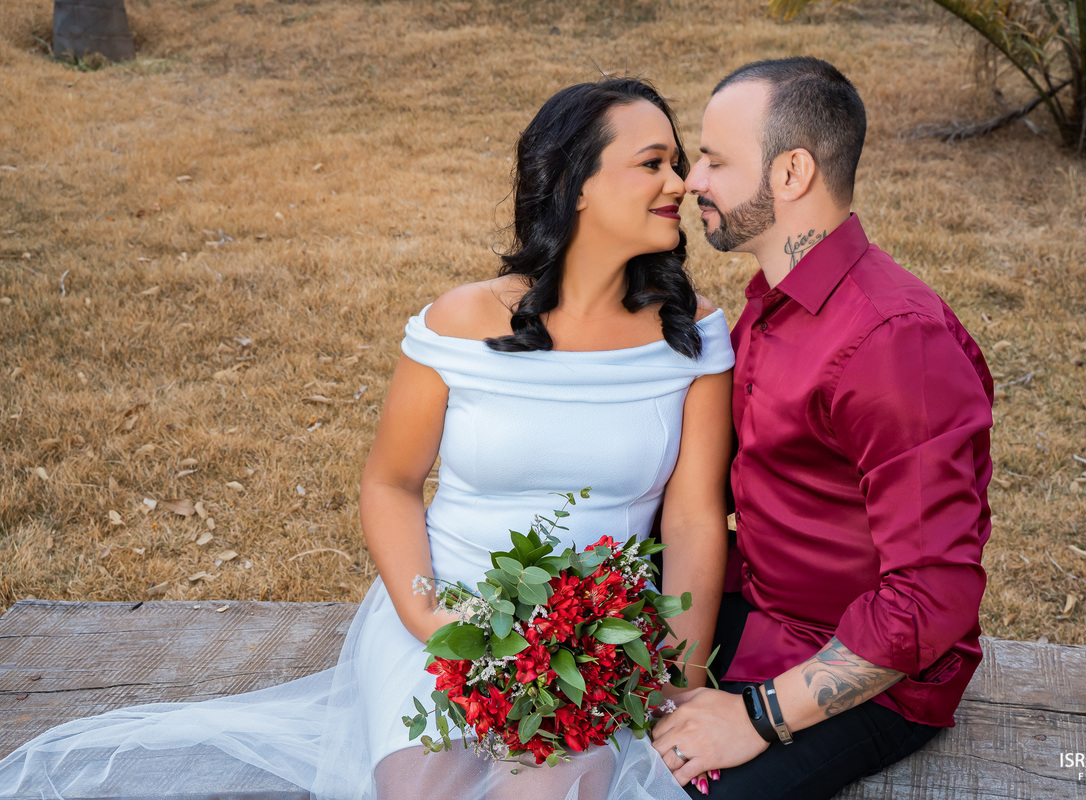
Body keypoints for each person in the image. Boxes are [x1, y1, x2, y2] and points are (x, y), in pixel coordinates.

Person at [0, 77, 733, 800]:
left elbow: (693, 516)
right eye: (653, 162)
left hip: (593, 640)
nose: (681, 181)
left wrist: (677, 675)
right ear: (576, 184)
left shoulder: (691, 335)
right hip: (448, 609)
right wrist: (428, 615)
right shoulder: (459, 323)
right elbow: (391, 482)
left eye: (677, 162)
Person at [650, 57, 994, 800]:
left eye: (713, 159)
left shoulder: (895, 344)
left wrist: (756, 717)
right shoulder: (773, 298)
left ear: (792, 172)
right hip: (766, 601)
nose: (692, 181)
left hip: (875, 672)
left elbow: (931, 602)